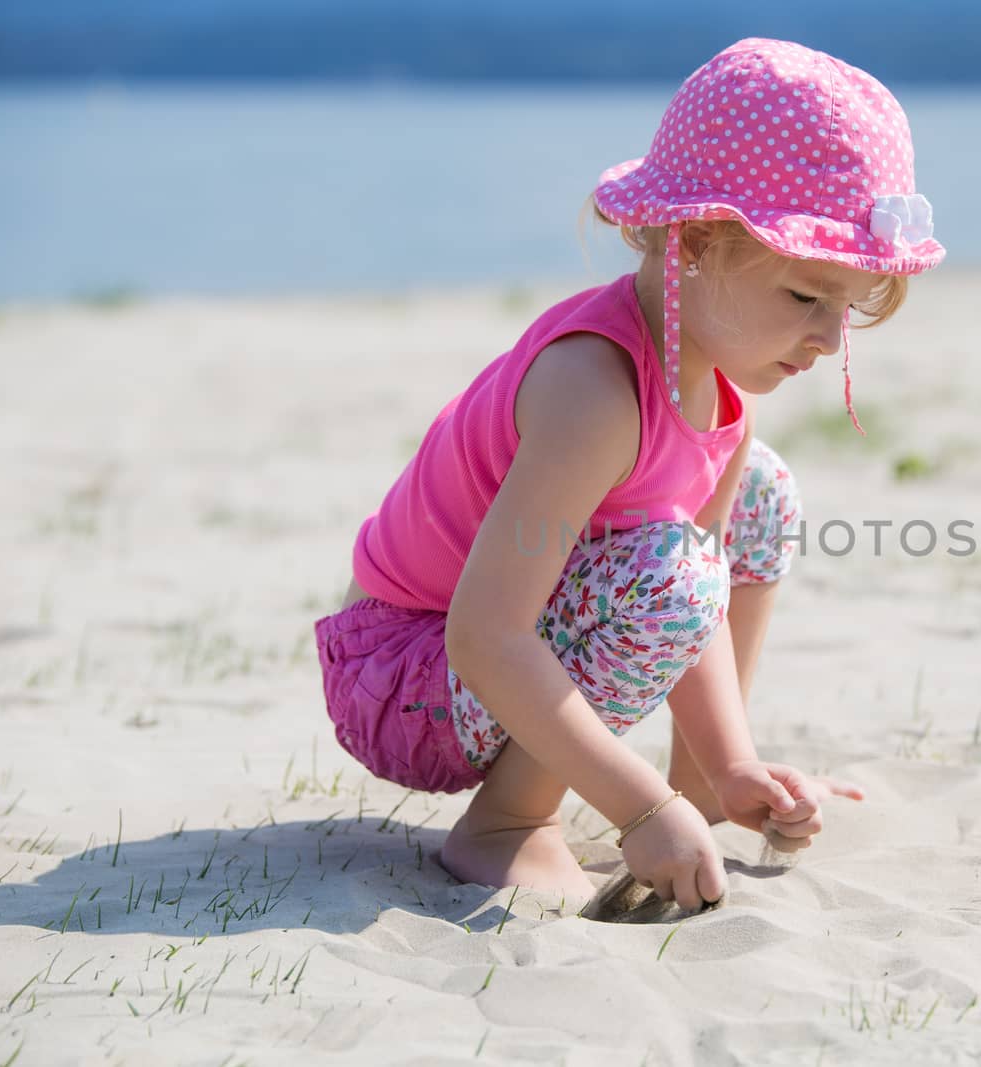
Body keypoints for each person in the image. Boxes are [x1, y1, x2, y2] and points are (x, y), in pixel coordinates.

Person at [312, 37, 945, 911]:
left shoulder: (722, 396)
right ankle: (507, 825)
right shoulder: (594, 391)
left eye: (844, 305)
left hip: (486, 659)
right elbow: (483, 632)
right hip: (401, 675)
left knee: (758, 496)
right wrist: (636, 808)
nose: (830, 338)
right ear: (693, 243)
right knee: (674, 568)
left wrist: (728, 768)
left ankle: (706, 781)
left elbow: (701, 605)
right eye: (806, 297)